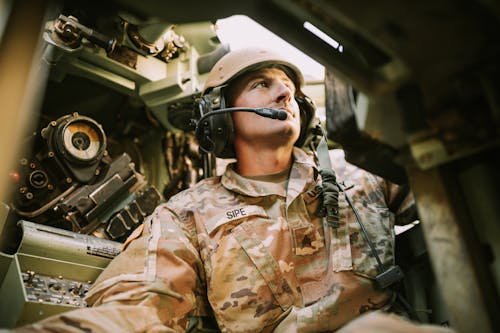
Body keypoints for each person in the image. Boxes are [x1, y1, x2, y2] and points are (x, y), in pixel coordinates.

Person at [12, 48, 454, 333]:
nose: (285, 92)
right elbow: (137, 308)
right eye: (263, 83)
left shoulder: (363, 171)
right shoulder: (187, 214)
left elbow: (462, 194)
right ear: (220, 115)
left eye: (291, 88)